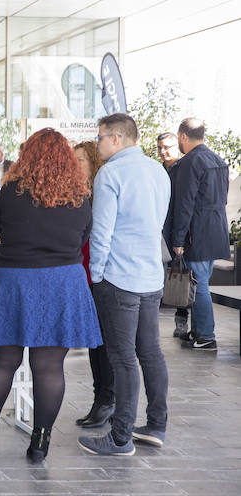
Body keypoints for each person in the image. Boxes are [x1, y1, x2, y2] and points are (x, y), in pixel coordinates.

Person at [0, 128, 101, 462]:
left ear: (27, 155)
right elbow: (85, 233)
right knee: (49, 367)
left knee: (2, 361)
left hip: (14, 280)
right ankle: (41, 440)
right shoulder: (80, 194)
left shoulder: (11, 191)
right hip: (63, 283)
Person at [80, 113, 170, 456]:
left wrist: (97, 275)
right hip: (150, 275)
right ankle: (157, 425)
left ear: (116, 138)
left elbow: (102, 232)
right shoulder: (157, 170)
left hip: (118, 278)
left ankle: (120, 437)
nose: (98, 142)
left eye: (101, 137)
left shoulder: (111, 174)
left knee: (122, 359)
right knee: (150, 353)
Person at [168, 118, 231, 352]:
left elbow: (184, 203)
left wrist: (177, 239)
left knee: (200, 283)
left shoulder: (190, 163)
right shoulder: (218, 160)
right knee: (199, 280)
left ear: (183, 136)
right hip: (216, 230)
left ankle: (206, 335)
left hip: (197, 232)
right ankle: (198, 331)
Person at [73, 141, 114, 428]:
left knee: (105, 343)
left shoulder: (101, 191)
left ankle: (108, 400)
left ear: (94, 163)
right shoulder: (81, 192)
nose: (76, 165)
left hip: (100, 274)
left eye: (81, 161)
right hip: (83, 273)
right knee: (94, 341)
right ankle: (100, 399)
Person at [156, 132, 187, 337]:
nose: (163, 151)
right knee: (160, 275)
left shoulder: (183, 169)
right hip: (159, 230)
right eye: (160, 147)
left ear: (177, 145)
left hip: (177, 231)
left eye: (167, 146)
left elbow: (183, 206)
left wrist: (179, 238)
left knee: (179, 277)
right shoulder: (157, 170)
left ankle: (181, 320)